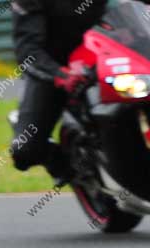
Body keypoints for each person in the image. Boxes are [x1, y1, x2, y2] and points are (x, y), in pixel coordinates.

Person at [9, 0, 110, 185]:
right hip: (54, 69)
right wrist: (59, 74)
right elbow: (27, 50)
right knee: (25, 150)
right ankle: (65, 164)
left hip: (106, 59)